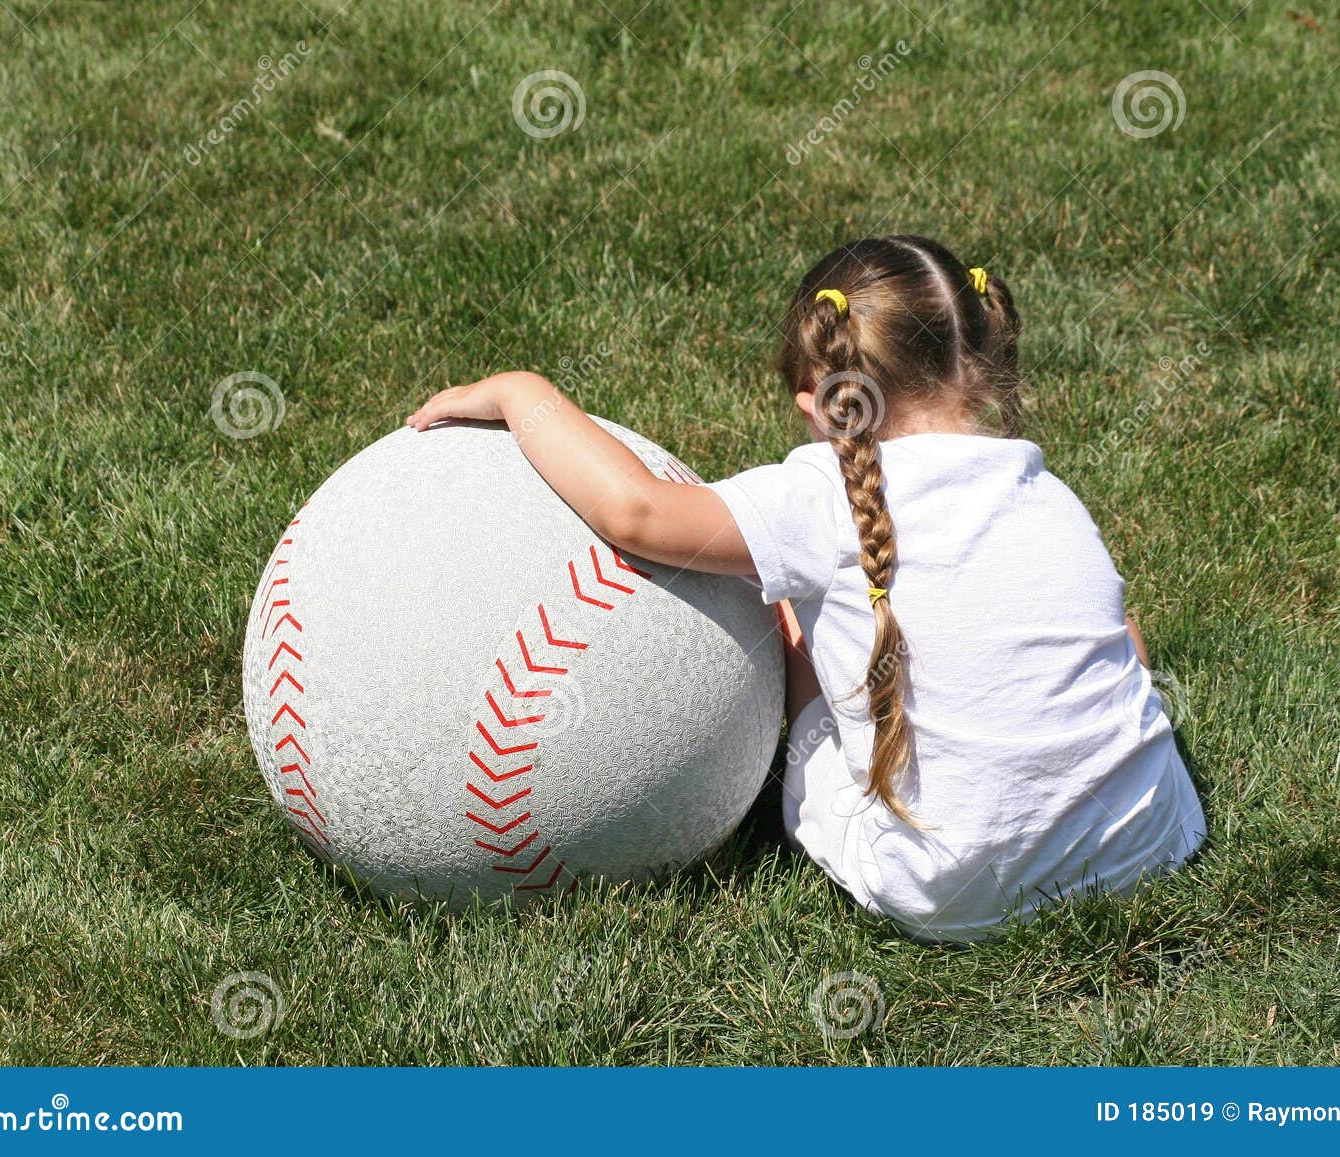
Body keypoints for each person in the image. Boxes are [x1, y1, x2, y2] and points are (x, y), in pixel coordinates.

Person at [407, 234, 1205, 943]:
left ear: (819, 406)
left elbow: (636, 511)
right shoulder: (1047, 489)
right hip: (1151, 836)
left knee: (780, 604)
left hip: (955, 889)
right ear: (980, 360)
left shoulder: (821, 494)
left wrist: (523, 392)